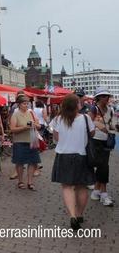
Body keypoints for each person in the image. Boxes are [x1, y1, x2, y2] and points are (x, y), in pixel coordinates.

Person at [50, 94, 95, 230]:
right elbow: (92, 134)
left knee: (67, 187)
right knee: (82, 187)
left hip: (63, 156)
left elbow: (56, 137)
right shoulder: (86, 118)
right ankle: (80, 214)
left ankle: (72, 216)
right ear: (77, 106)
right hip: (81, 155)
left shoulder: (58, 119)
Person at [89, 87, 115, 206]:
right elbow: (89, 122)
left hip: (107, 140)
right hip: (96, 140)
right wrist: (99, 126)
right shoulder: (94, 108)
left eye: (108, 96)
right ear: (98, 97)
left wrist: (114, 128)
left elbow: (111, 124)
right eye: (104, 96)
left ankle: (96, 191)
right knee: (103, 166)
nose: (107, 98)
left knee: (103, 166)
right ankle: (103, 194)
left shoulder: (110, 109)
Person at [10, 94, 41, 190]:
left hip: (31, 141)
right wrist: (24, 127)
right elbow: (12, 129)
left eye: (27, 103)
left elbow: (39, 125)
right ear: (19, 104)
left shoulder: (31, 113)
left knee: (32, 162)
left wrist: (35, 125)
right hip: (19, 142)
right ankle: (20, 181)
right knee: (20, 162)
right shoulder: (15, 114)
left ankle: (30, 182)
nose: (26, 105)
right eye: (24, 104)